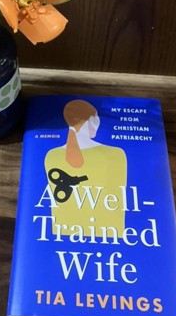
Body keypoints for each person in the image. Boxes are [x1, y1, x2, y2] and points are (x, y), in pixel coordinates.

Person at [44, 99, 127, 239]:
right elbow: (117, 201)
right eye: (96, 118)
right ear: (91, 120)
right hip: (108, 233)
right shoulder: (115, 154)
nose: (98, 123)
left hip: (63, 232)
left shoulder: (52, 156)